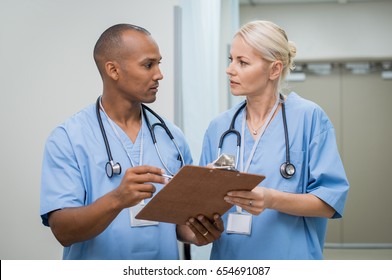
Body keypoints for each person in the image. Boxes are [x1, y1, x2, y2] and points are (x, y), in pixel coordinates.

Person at [40, 23, 221, 260]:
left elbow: (179, 224)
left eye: (159, 63)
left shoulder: (171, 137)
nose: (159, 74)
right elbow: (63, 231)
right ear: (113, 70)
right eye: (148, 65)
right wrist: (117, 199)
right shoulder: (68, 139)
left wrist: (199, 232)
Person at [198, 20, 350, 259]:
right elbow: (203, 204)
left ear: (274, 69)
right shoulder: (220, 127)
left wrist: (271, 199)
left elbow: (329, 203)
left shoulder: (308, 118)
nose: (230, 69)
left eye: (243, 62)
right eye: (231, 60)